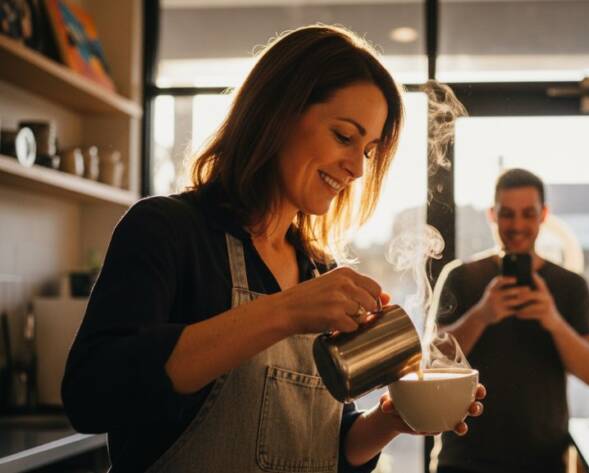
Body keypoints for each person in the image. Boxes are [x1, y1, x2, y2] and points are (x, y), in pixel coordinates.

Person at [61, 25, 484, 473]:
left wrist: (389, 421)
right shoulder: (167, 231)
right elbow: (91, 396)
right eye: (344, 136)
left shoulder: (319, 270)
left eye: (369, 150)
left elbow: (320, 444)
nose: (358, 168)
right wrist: (284, 312)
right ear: (277, 114)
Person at [433, 168, 589, 473]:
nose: (518, 225)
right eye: (507, 214)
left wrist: (552, 319)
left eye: (528, 214)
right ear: (492, 215)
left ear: (543, 215)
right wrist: (481, 315)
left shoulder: (570, 285)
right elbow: (433, 362)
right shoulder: (461, 276)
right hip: (464, 458)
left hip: (543, 460)